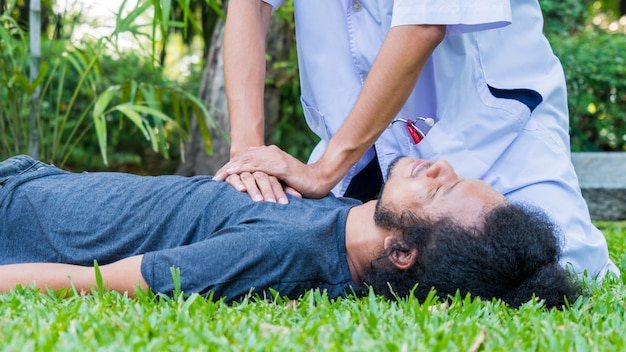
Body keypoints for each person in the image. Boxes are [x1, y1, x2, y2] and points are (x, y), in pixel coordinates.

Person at [215, 0, 619, 280]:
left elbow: (424, 23)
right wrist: (248, 159)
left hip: (490, 134)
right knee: (301, 260)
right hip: (365, 153)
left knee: (568, 267)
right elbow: (249, 5)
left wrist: (324, 170)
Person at [0, 155, 578, 309]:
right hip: (34, 182)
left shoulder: (283, 251)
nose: (439, 168)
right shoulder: (348, 210)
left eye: (442, 192)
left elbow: (98, 282)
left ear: (402, 251)